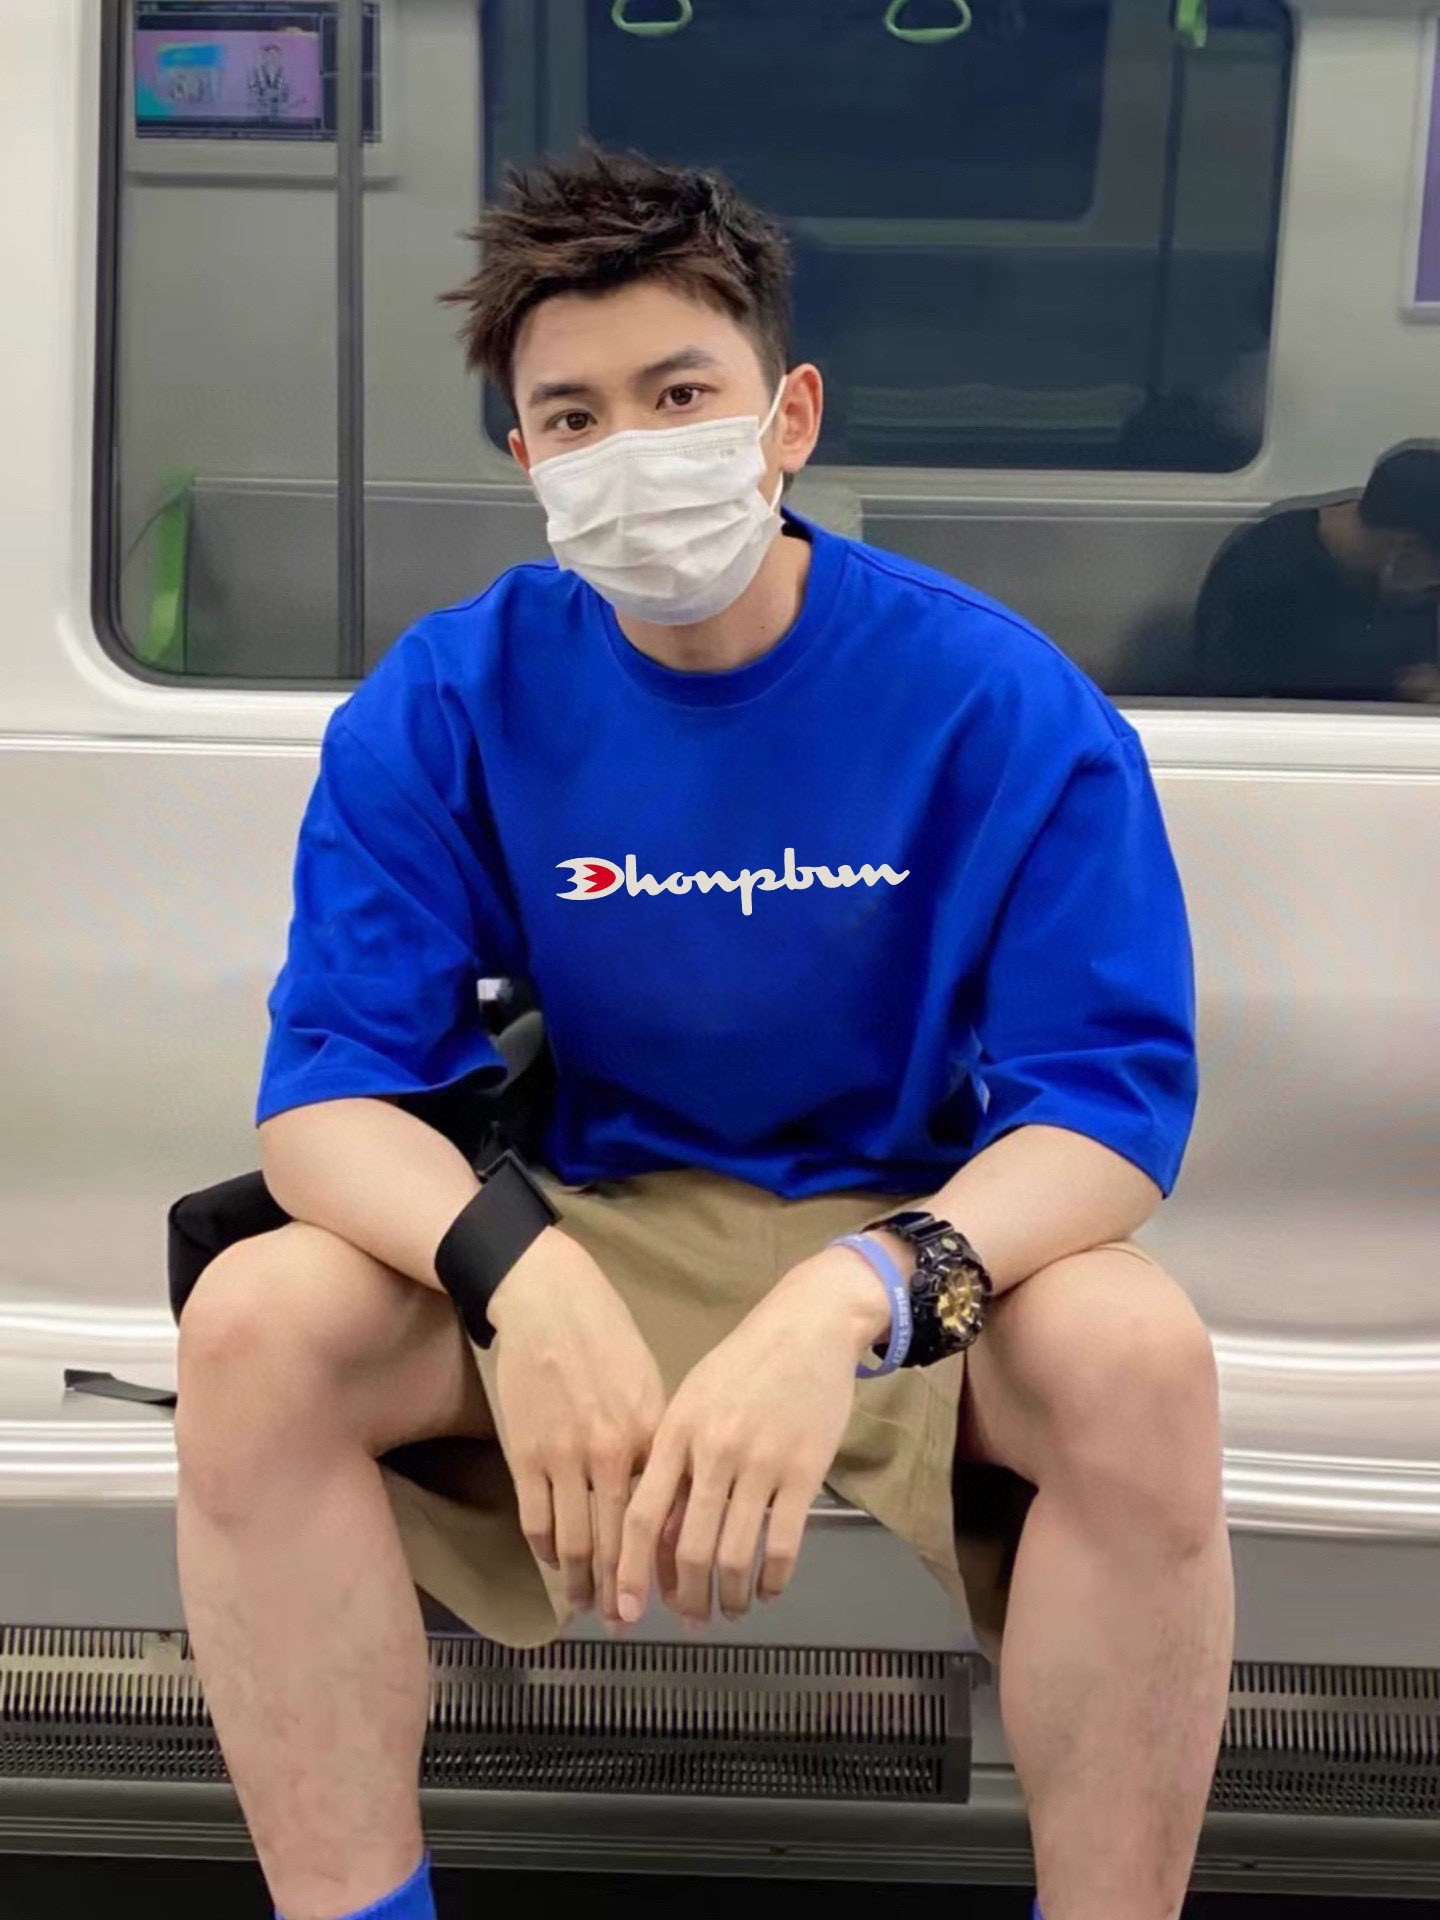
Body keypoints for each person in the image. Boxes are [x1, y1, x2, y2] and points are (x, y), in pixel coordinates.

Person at [171, 149, 1231, 1920]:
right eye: (572, 417)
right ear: (528, 460)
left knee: (1142, 1361)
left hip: (897, 1227)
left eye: (679, 396)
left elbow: (1108, 1117)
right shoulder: (451, 699)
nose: (631, 450)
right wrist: (526, 1280)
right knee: (255, 1327)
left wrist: (849, 1299)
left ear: (785, 415)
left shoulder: (995, 703)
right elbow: (329, 1103)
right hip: (589, 1214)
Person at [1193, 442, 1440, 702]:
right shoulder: (1262, 573)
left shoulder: (1388, 571)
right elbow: (1236, 696)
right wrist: (1398, 688)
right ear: (1406, 550)